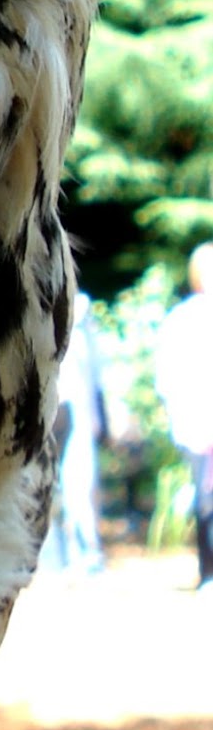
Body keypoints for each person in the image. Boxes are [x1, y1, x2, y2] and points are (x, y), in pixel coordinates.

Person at [154, 242, 213, 590]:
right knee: (207, 498)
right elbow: (168, 377)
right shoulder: (181, 320)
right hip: (197, 423)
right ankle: (209, 570)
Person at [42, 290, 108, 572]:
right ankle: (51, 555)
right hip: (47, 407)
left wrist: (100, 415)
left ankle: (85, 551)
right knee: (43, 482)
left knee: (79, 481)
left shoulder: (80, 309)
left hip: (73, 406)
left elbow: (93, 370)